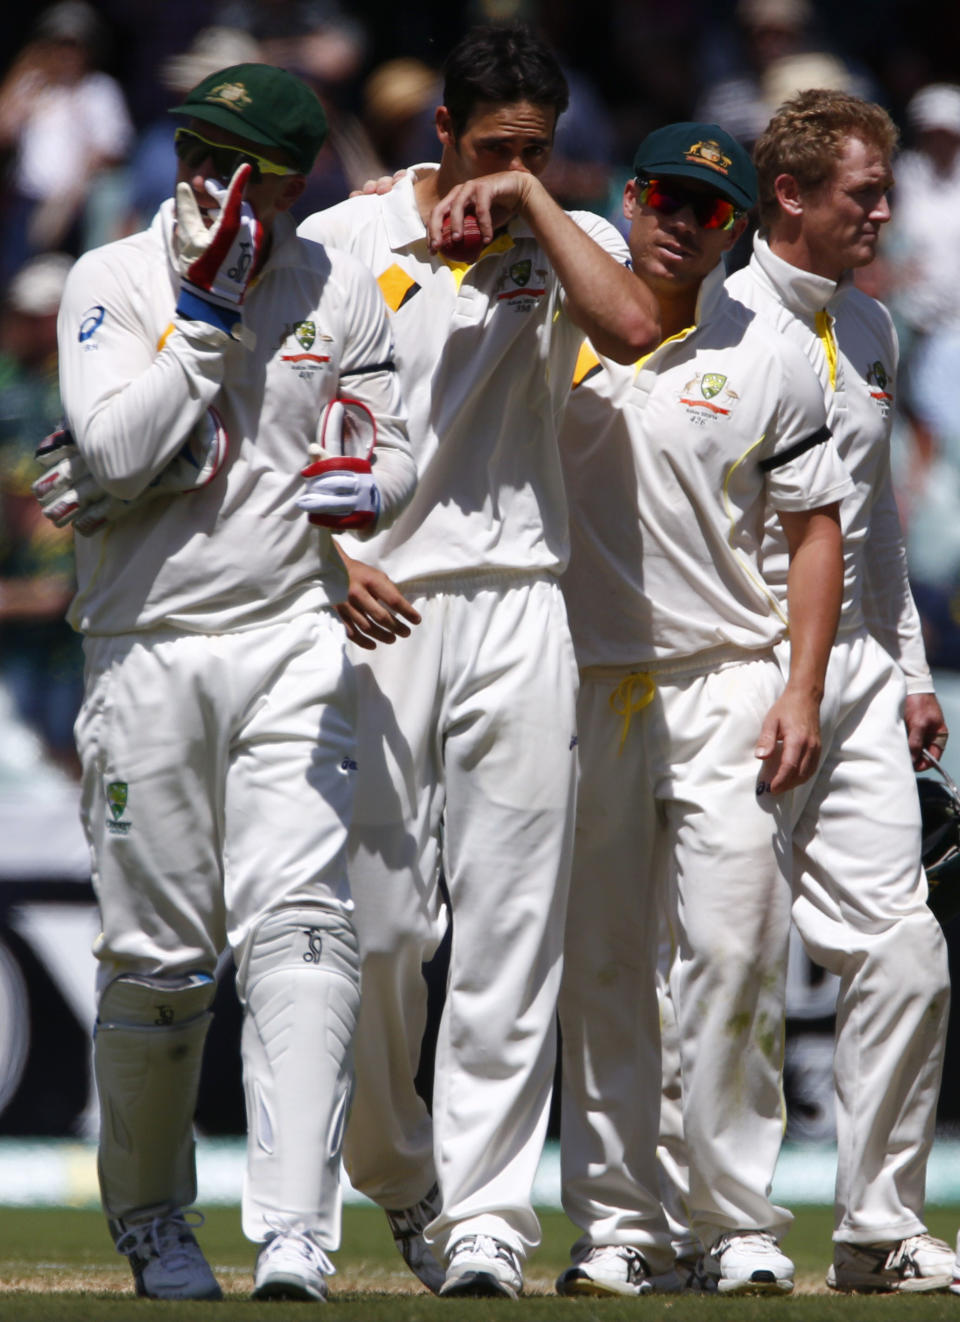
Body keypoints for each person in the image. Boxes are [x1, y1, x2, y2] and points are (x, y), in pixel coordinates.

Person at [42, 61, 415, 1302]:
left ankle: (297, 1230)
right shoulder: (114, 278)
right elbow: (112, 451)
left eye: (245, 165)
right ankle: (153, 1220)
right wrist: (200, 320)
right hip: (141, 643)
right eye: (201, 152)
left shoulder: (333, 280)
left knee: (305, 928)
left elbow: (381, 441)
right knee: (156, 962)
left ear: (300, 183)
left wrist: (365, 490)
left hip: (290, 635)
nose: (215, 181)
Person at [297, 23, 659, 1299]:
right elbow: (283, 431)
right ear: (438, 129)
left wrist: (527, 201)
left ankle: (491, 1215)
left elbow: (628, 324)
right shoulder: (340, 243)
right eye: (493, 147)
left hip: (522, 599)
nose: (512, 166)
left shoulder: (562, 236)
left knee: (511, 923)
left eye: (537, 149)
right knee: (388, 929)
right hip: (378, 607)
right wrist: (331, 560)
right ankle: (400, 1170)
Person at [553, 121, 852, 1297]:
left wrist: (802, 687)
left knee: (732, 952)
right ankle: (621, 1225)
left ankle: (731, 1218)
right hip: (578, 680)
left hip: (727, 676)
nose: (680, 221)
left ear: (736, 227)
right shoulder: (556, 317)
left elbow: (816, 526)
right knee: (607, 968)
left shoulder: (772, 348)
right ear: (628, 201)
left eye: (708, 209)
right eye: (663, 199)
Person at [719, 88, 953, 1293]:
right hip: (743, 666)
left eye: (887, 188)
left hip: (860, 671)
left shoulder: (870, 328)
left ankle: (877, 1225)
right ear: (793, 195)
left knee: (908, 952)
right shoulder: (713, 315)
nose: (884, 210)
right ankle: (729, 1225)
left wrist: (909, 673)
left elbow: (876, 532)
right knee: (731, 956)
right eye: (865, 190)